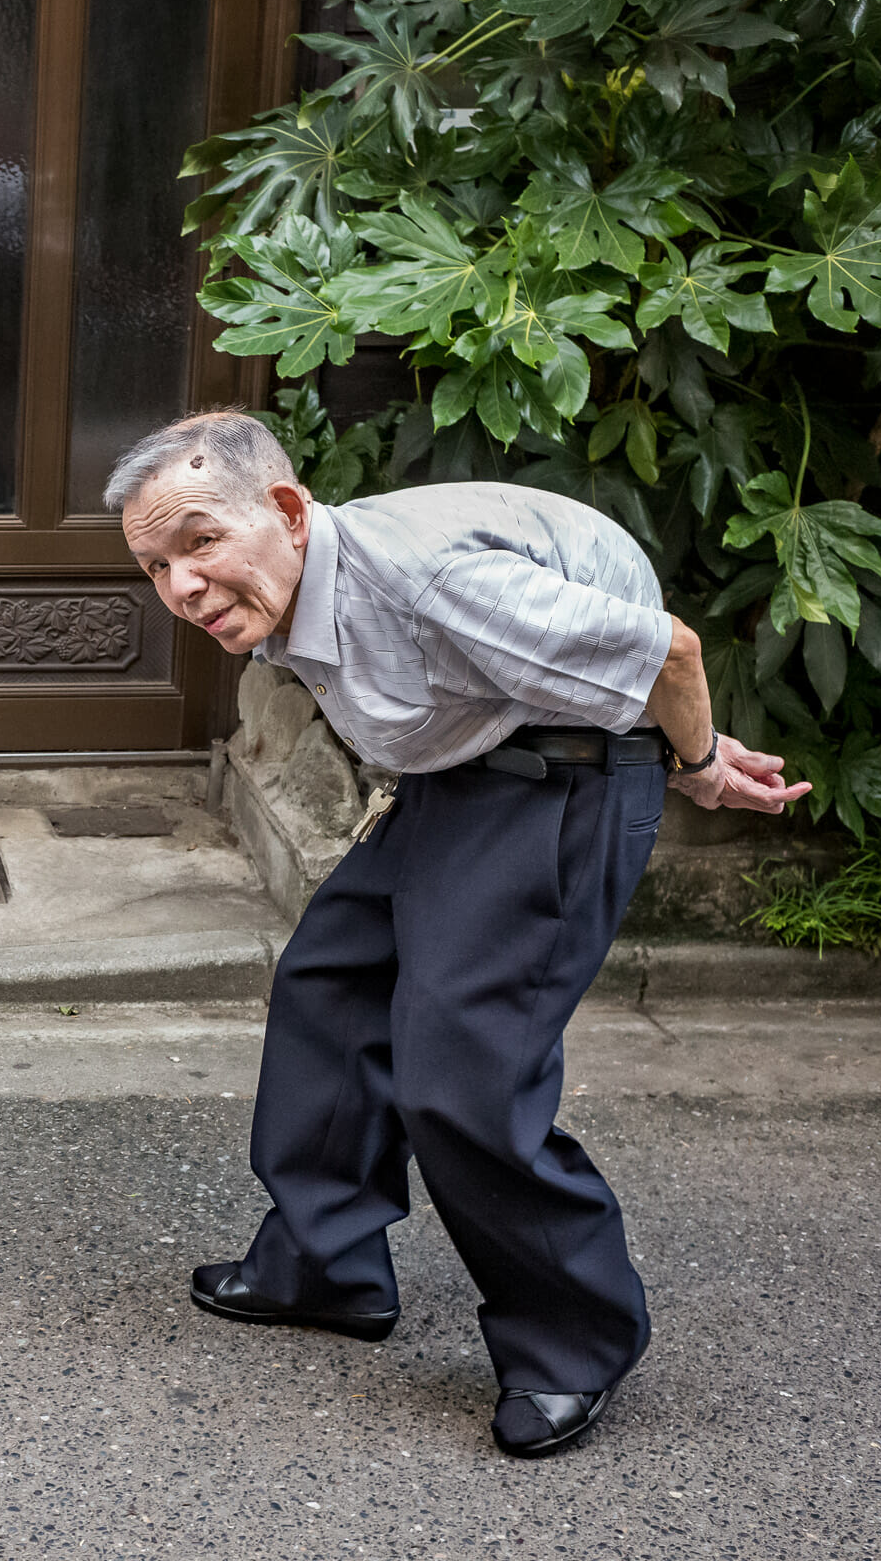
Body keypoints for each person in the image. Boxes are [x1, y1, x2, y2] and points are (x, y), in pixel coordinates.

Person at [105, 411, 806, 1459]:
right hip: (468, 772)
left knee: (463, 1073)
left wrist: (699, 765)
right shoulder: (304, 580)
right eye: (157, 565)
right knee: (330, 985)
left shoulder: (426, 578)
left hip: (561, 784)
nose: (183, 588)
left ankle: (575, 1341)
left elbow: (671, 650)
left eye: (200, 542)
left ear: (288, 512)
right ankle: (326, 1262)